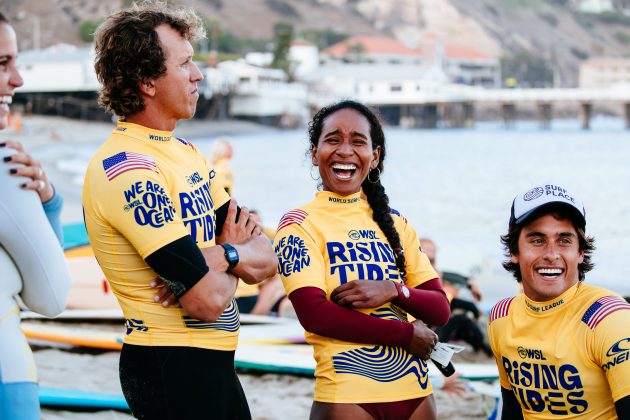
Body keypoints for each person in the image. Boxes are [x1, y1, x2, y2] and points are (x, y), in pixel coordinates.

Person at [82, 3, 277, 419]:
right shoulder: (129, 168)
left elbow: (269, 258)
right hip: (169, 363)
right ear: (147, 81)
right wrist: (233, 256)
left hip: (213, 363)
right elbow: (205, 302)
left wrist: (222, 255)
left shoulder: (186, 154)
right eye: (185, 63)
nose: (198, 75)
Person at [274, 100, 450, 419]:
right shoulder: (300, 224)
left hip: (417, 395)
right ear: (314, 153)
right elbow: (315, 315)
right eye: (333, 139)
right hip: (348, 397)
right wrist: (406, 335)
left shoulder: (397, 224)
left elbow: (439, 307)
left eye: (358, 141)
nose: (345, 150)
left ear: (375, 156)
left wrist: (394, 290)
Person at [488, 183, 630, 419]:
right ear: (514, 251)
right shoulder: (501, 316)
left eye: (564, 240)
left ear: (580, 252)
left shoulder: (609, 318)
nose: (552, 254)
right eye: (537, 240)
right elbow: (512, 412)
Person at [0, 13, 71, 419]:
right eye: (1, 64)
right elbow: (52, 294)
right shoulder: (7, 169)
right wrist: (51, 203)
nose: (18, 80)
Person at [421, 238, 492, 356]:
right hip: (425, 317)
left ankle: (483, 349)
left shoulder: (438, 272)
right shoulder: (418, 269)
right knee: (460, 313)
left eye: (432, 250)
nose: (431, 252)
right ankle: (484, 348)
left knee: (464, 319)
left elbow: (456, 284)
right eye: (427, 249)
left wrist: (470, 284)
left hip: (438, 313)